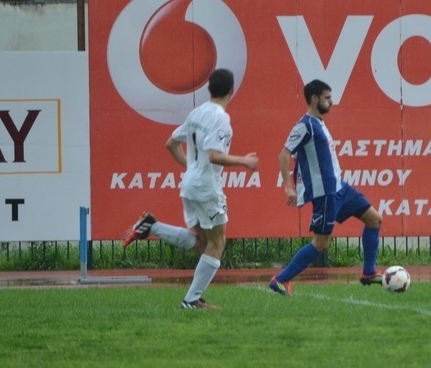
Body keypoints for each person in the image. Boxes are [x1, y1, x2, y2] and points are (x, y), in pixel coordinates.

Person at [122, 68, 258, 310]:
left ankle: (152, 226)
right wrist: (244, 161)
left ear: (209, 89)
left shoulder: (197, 112)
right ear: (231, 90)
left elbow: (171, 143)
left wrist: (192, 168)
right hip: (206, 188)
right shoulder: (220, 118)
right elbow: (215, 156)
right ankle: (191, 299)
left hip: (189, 185)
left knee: (204, 243)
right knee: (218, 242)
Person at [269, 79, 383, 296]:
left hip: (341, 188)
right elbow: (284, 154)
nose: (332, 101)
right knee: (321, 244)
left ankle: (368, 273)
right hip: (325, 194)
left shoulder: (319, 123)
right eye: (327, 98)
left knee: (375, 219)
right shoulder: (305, 125)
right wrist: (288, 187)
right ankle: (280, 279)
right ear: (314, 99)